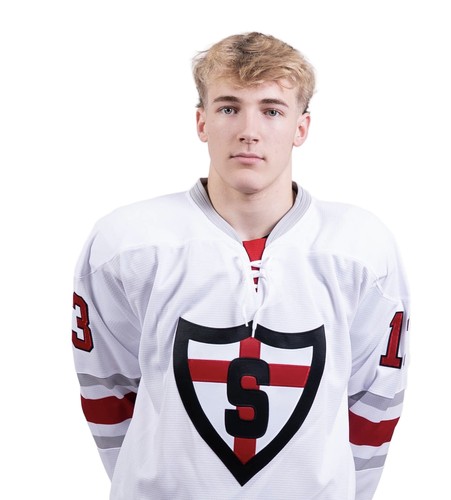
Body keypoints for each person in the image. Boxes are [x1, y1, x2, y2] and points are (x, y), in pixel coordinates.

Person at [72, 32, 410, 500]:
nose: (249, 130)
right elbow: (108, 392)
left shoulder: (360, 250)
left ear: (301, 128)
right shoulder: (128, 245)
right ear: (202, 121)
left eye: (271, 110)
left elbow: (373, 399)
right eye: (229, 107)